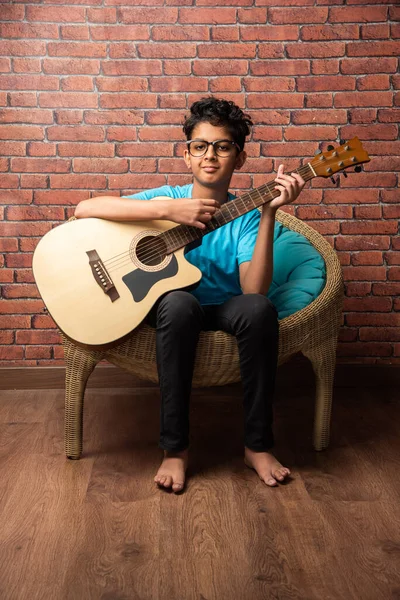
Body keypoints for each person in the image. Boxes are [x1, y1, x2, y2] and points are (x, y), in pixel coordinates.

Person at [75, 97, 306, 494]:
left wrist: (269, 213)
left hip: (224, 309)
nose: (210, 156)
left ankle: (257, 445)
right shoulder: (166, 198)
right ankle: (175, 449)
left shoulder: (246, 216)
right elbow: (84, 208)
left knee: (259, 308)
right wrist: (169, 209)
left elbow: (253, 289)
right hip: (173, 309)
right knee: (179, 303)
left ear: (240, 158)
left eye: (222, 146)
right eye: (200, 146)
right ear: (187, 156)